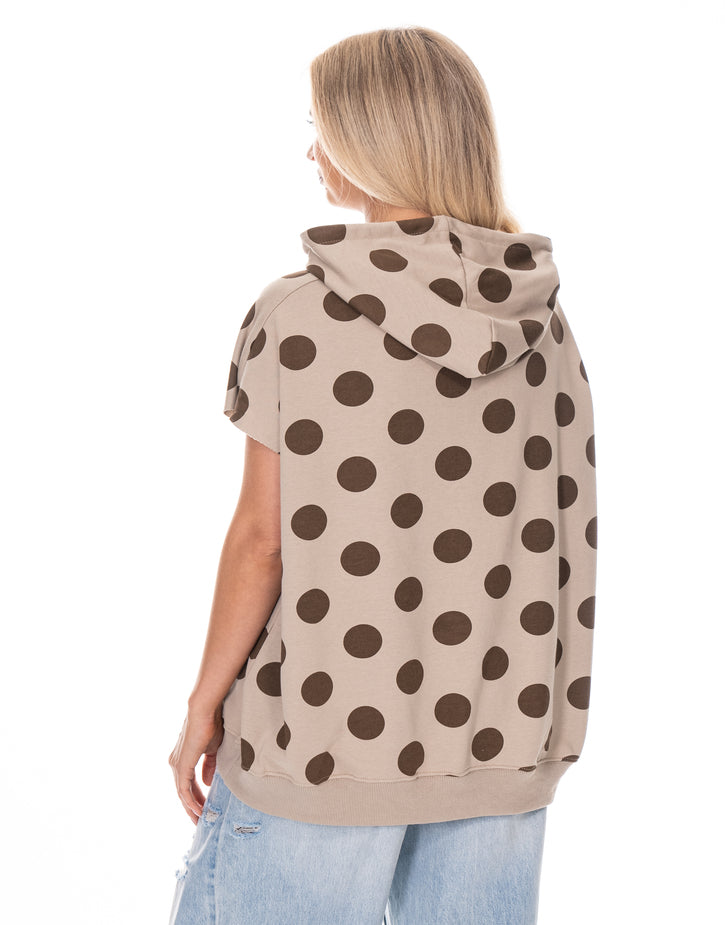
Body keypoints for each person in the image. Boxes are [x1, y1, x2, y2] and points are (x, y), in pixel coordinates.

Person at [167, 25, 597, 925]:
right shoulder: (540, 321)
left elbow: (262, 541)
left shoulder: (297, 313)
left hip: (321, 743)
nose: (312, 152)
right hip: (498, 740)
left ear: (372, 140)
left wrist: (203, 704)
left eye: (322, 127)